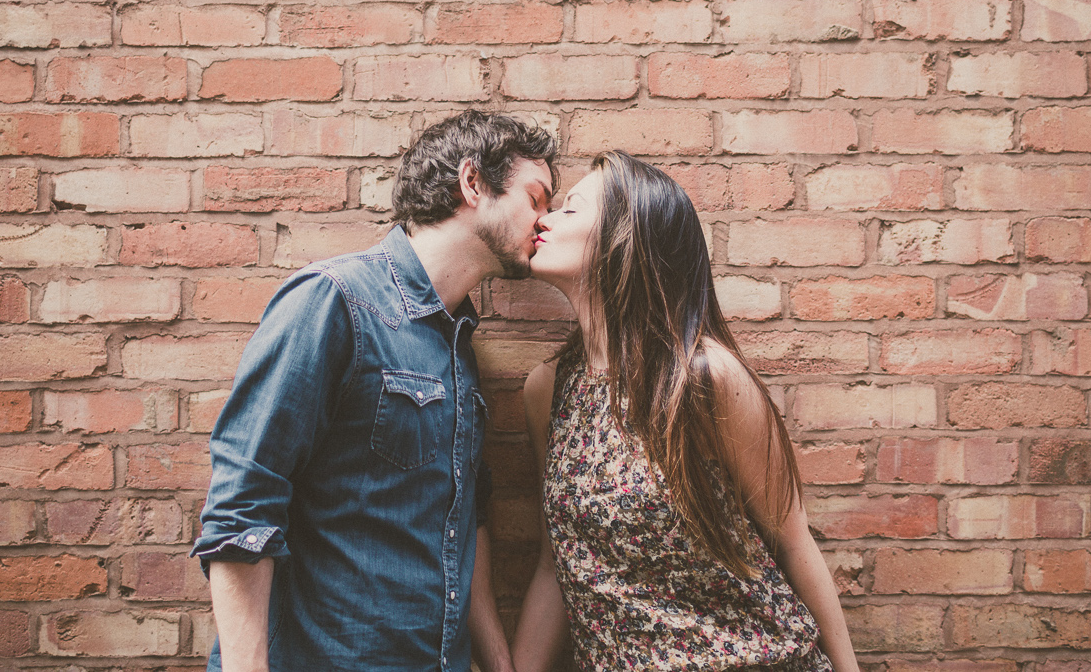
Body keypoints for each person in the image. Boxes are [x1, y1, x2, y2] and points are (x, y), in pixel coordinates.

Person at [194, 110, 557, 672]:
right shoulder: (335, 300)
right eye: (536, 198)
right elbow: (242, 507)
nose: (545, 221)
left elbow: (464, 519)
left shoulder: (458, 341)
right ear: (472, 183)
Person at [510, 151, 860, 672]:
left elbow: (791, 541)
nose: (544, 219)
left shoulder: (704, 379)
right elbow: (555, 564)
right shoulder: (548, 391)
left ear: (624, 239)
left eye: (571, 209)